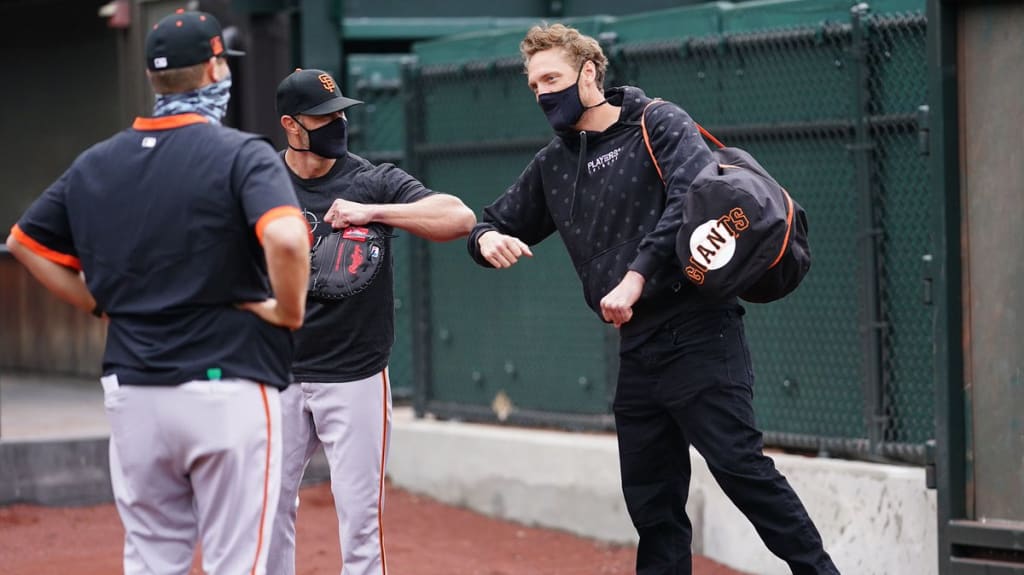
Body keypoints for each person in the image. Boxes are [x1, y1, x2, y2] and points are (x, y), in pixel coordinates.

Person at [466, 24, 840, 575]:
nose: (543, 93)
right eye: (534, 85)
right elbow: (493, 220)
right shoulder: (553, 164)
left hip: (700, 329)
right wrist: (484, 238)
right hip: (638, 350)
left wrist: (637, 275)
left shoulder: (656, 122)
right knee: (652, 501)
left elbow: (691, 196)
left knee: (740, 469)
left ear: (589, 72)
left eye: (553, 78)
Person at [5, 10, 311, 575]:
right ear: (215, 66)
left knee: (151, 560)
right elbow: (290, 241)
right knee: (238, 562)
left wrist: (97, 303)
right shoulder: (242, 154)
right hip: (228, 381)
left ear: (153, 78)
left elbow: (23, 244)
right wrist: (288, 311)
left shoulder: (96, 162)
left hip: (134, 389)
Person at [267, 68, 476, 575]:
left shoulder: (371, 179)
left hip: (354, 375)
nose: (338, 123)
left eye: (341, 113)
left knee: (361, 522)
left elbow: (459, 217)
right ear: (292, 127)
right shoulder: (261, 180)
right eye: (324, 116)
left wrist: (375, 212)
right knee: (266, 513)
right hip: (275, 375)